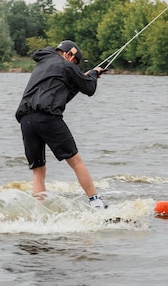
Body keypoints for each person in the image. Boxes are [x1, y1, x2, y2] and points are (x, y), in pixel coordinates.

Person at [15, 40, 107, 209]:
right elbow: (90, 89)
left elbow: (61, 93)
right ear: (68, 54)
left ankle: (39, 211)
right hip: (47, 118)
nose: (74, 66)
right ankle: (96, 203)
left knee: (38, 170)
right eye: (75, 62)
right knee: (76, 161)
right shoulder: (66, 66)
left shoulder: (44, 62)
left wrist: (84, 77)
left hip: (26, 120)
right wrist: (93, 74)